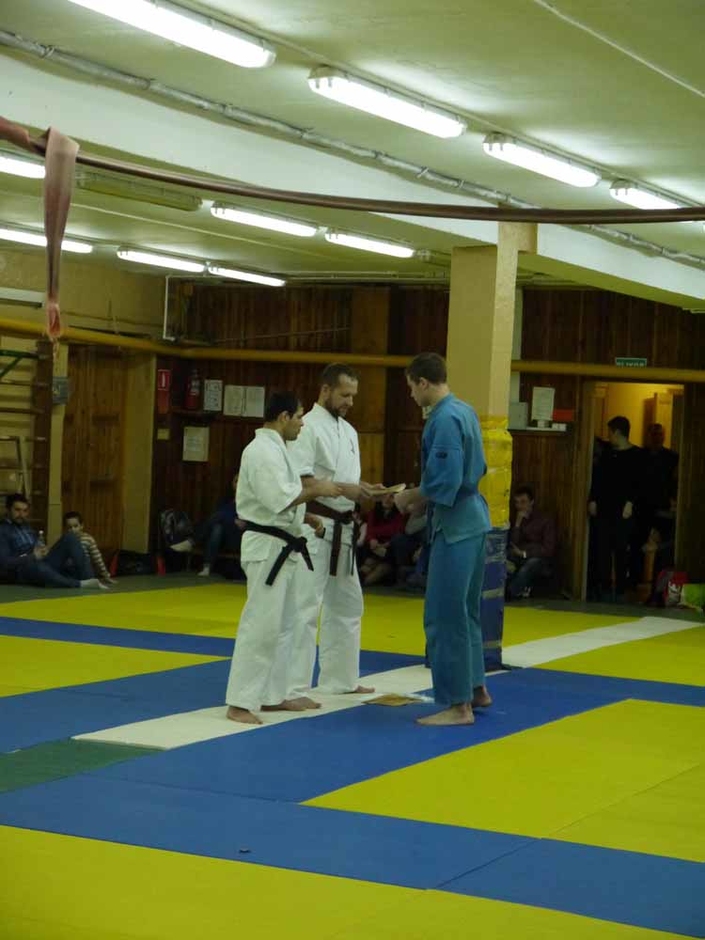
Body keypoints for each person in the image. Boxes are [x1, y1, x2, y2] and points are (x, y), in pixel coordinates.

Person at [224, 392, 342, 725]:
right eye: (299, 417)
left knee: (285, 624)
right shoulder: (261, 451)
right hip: (267, 549)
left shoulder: (278, 449)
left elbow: (277, 502)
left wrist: (306, 517)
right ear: (283, 417)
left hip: (283, 545)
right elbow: (277, 499)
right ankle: (239, 702)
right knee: (260, 625)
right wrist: (317, 490)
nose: (303, 424)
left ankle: (271, 695)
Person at [394, 353, 491, 727]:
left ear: (423, 382)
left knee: (443, 615)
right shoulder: (465, 411)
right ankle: (476, 687)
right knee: (466, 611)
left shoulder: (445, 418)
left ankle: (457, 704)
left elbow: (444, 481)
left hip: (456, 525)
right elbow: (477, 468)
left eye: (411, 388)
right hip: (472, 519)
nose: (411, 396)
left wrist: (410, 497)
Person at [287, 363, 383, 697]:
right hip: (314, 527)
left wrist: (364, 488)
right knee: (304, 607)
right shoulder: (307, 427)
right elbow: (303, 481)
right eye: (344, 395)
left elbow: (341, 480)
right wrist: (348, 489)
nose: (350, 402)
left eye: (353, 396)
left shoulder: (350, 431)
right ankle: (293, 686)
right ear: (325, 390)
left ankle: (340, 680)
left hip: (344, 529)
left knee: (348, 604)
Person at [588, 416, 644, 602]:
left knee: (621, 550)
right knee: (602, 549)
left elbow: (639, 483)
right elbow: (598, 478)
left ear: (618, 433)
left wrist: (631, 502)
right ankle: (604, 587)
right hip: (604, 509)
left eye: (610, 433)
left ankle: (620, 588)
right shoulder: (607, 454)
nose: (608, 436)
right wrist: (593, 499)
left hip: (624, 510)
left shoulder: (637, 455)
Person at [0, 493, 106, 590]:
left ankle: (90, 580)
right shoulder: (2, 530)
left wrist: (43, 550)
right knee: (38, 567)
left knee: (70, 537)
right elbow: (5, 563)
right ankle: (79, 584)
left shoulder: (26, 526)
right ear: (8, 509)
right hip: (23, 569)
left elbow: (36, 547)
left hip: (41, 561)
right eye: (17, 510)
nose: (21, 514)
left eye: (25, 511)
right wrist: (33, 557)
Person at [171, 471, 245, 578]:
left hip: (238, 537)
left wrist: (239, 522)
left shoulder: (249, 502)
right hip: (222, 537)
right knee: (217, 528)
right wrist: (233, 520)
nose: (238, 484)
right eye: (236, 481)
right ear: (232, 484)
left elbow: (246, 523)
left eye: (241, 481)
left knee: (220, 516)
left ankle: (192, 542)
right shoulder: (226, 500)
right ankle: (207, 567)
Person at [506, 485, 556, 599]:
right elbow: (513, 542)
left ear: (532, 502)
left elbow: (548, 549)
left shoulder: (545, 519)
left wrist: (525, 554)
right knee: (503, 556)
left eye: (523, 502)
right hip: (519, 554)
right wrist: (517, 523)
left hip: (539, 558)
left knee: (531, 564)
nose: (519, 506)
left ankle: (510, 593)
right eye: (517, 502)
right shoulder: (517, 517)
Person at [358, 493, 406, 586]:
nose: (387, 499)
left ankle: (362, 584)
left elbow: (396, 532)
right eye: (384, 496)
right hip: (374, 548)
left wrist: (382, 541)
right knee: (369, 563)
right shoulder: (373, 513)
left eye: (391, 497)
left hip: (390, 549)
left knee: (382, 568)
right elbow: (370, 531)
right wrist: (372, 539)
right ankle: (355, 581)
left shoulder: (400, 514)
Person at [63, 510, 115, 584]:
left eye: (75, 526)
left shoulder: (88, 539)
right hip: (70, 571)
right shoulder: (64, 540)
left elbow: (97, 558)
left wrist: (106, 575)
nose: (72, 529)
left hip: (85, 571)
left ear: (81, 526)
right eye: (69, 527)